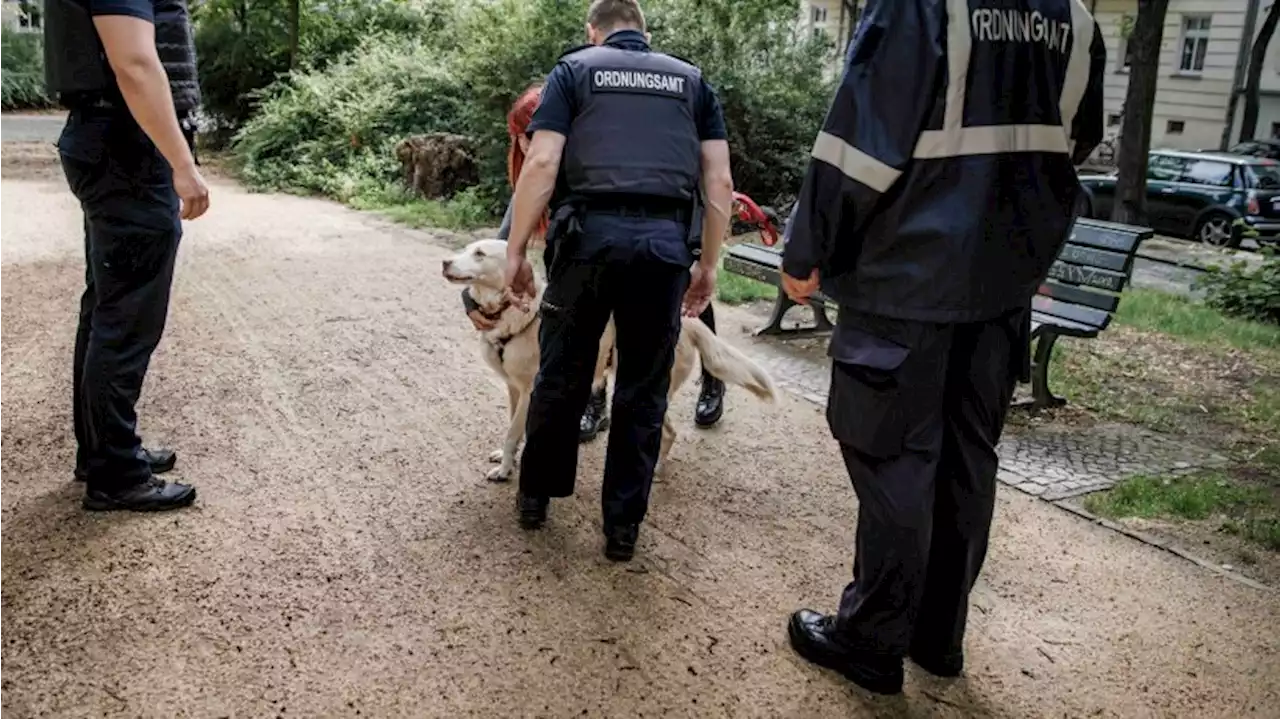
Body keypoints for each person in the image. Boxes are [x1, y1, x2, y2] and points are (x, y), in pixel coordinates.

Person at [781, 0, 1105, 696]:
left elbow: (856, 147)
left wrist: (807, 246)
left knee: (897, 456)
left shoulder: (922, 5)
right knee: (966, 457)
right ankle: (938, 635)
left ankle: (870, 640)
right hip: (1001, 284)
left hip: (906, 275)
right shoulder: (1074, 19)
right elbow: (1072, 144)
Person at [502, 0, 734, 562]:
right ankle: (622, 527)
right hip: (663, 247)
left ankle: (536, 496)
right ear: (644, 31)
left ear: (594, 30)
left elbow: (541, 163)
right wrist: (708, 263)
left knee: (562, 371)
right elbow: (719, 179)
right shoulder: (692, 81)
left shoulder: (574, 71)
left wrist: (515, 250)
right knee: (643, 385)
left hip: (587, 241)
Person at [472, 85, 728, 440]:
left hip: (658, 235)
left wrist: (707, 259)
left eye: (540, 133)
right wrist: (471, 298)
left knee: (688, 292)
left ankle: (712, 381)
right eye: (525, 137)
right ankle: (596, 399)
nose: (534, 144)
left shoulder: (600, 160)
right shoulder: (534, 177)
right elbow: (499, 246)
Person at [45, 0, 211, 511]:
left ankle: (101, 451)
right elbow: (134, 63)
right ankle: (115, 473)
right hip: (125, 146)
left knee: (106, 307)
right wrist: (181, 164)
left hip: (109, 139)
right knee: (125, 317)